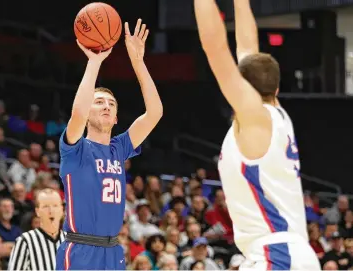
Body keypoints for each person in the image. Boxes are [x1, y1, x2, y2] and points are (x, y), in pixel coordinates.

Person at [193, 0, 320, 269]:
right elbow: (248, 50)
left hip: (277, 254)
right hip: (284, 252)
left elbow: (215, 48)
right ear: (275, 88)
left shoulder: (254, 118)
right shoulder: (275, 114)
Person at [56, 18, 163, 270]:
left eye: (111, 104)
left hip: (113, 250)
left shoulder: (119, 148)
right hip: (80, 249)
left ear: (115, 119)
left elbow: (155, 112)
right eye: (99, 101)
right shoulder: (75, 149)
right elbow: (78, 114)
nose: (106, 105)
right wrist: (94, 62)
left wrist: (138, 61)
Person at [8, 188, 65, 270]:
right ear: (37, 211)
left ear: (62, 210)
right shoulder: (25, 241)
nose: (51, 211)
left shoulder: (71, 242)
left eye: (55, 205)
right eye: (45, 206)